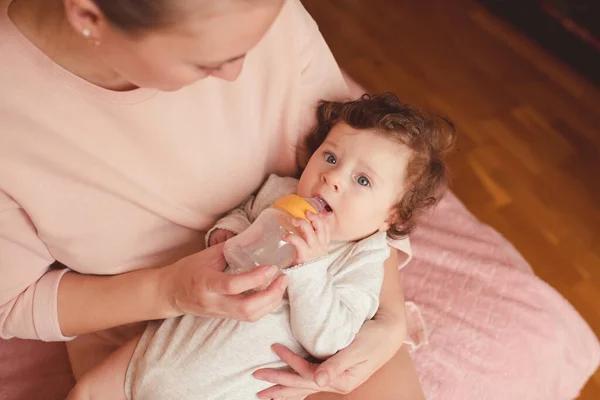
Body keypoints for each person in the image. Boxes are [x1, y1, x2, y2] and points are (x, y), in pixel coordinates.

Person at [0, 0, 424, 398]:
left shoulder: (258, 10)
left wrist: (388, 320)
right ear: (88, 16)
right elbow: (12, 302)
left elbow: (372, 160)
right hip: (151, 331)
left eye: (251, 45)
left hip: (293, 337)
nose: (238, 74)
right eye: (208, 61)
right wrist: (169, 291)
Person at [66, 93, 455, 400]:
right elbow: (243, 214)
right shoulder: (280, 191)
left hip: (229, 387)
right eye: (331, 157)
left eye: (363, 181)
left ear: (390, 218)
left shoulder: (363, 259)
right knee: (86, 392)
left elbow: (330, 339)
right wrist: (225, 231)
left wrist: (309, 268)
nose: (333, 178)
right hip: (163, 350)